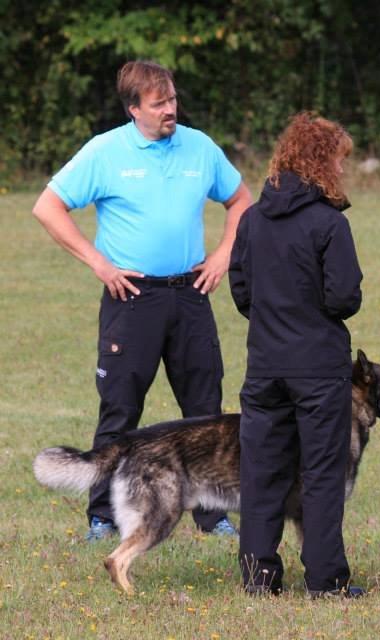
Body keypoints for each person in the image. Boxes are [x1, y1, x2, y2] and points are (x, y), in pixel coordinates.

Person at [32, 60, 251, 541]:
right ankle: (103, 516)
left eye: (172, 99)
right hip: (131, 297)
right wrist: (99, 263)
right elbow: (47, 206)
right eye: (159, 104)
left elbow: (241, 202)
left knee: (205, 409)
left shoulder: (200, 147)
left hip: (190, 294)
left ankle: (212, 515)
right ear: (134, 109)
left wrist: (221, 257)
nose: (171, 109)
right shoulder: (105, 152)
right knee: (120, 407)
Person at [228, 112, 363, 597]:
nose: (344, 171)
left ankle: (259, 578)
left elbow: (241, 292)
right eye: (340, 161)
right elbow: (344, 298)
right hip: (319, 369)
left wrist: (275, 317)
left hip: (264, 367)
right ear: (322, 162)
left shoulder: (251, 221)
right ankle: (326, 582)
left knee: (261, 474)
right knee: (322, 474)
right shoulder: (329, 224)